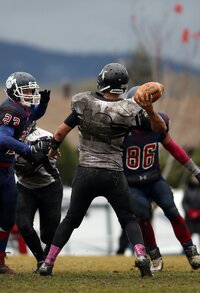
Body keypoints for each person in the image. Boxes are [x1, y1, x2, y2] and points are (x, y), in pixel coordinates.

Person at [38, 62, 167, 278]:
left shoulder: (83, 101)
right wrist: (150, 110)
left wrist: (52, 150)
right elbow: (160, 129)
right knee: (128, 218)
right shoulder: (129, 110)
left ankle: (48, 263)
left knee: (70, 219)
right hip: (113, 173)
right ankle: (141, 256)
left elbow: (59, 133)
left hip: (86, 171)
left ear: (102, 81)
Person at [116, 86, 200, 272]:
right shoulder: (120, 129)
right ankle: (154, 255)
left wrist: (195, 171)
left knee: (172, 210)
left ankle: (190, 250)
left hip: (154, 179)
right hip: (132, 183)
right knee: (143, 216)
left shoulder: (157, 122)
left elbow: (174, 148)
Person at [0, 72, 51, 274]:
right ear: (14, 91)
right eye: (27, 91)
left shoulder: (22, 108)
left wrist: (44, 105)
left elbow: (32, 115)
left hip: (6, 170)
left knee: (7, 218)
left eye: (32, 91)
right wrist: (27, 150)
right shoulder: (10, 109)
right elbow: (3, 138)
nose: (30, 95)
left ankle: (0, 262)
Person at [15, 124, 63, 273]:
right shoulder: (7, 138)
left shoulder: (44, 137)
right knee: (23, 225)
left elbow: (32, 164)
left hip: (49, 185)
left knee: (48, 234)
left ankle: (48, 259)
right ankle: (41, 260)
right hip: (25, 186)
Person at [182, 176, 200, 247]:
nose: (195, 179)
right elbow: (184, 202)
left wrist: (198, 212)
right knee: (187, 235)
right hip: (189, 217)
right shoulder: (188, 188)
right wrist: (189, 211)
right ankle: (186, 250)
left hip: (199, 217)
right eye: (193, 177)